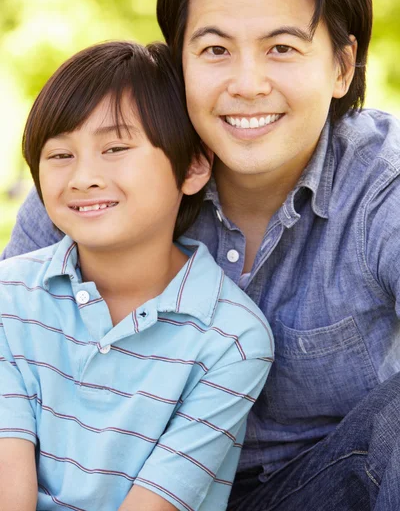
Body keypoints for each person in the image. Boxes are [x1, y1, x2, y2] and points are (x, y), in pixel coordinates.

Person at [3, 0, 400, 509]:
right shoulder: (96, 186)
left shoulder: (381, 189)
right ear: (179, 59)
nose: (246, 83)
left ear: (342, 67)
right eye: (215, 48)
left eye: (282, 48)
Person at [0, 40, 273, 511]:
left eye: (115, 147)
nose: (83, 177)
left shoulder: (232, 339)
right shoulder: (11, 297)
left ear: (192, 166)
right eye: (60, 155)